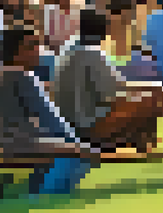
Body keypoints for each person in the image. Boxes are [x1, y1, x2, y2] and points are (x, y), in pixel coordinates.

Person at [0, 24, 98, 196]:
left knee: (64, 148)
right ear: (16, 53)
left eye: (37, 44)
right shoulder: (23, 77)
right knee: (82, 152)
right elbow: (51, 119)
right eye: (31, 46)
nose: (37, 50)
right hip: (19, 144)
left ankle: (39, 186)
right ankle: (47, 193)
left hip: (3, 142)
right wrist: (76, 143)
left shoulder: (2, 75)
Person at [50, 10, 128, 145]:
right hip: (87, 125)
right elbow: (113, 93)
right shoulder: (93, 53)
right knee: (151, 99)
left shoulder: (66, 50)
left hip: (66, 123)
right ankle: (128, 142)